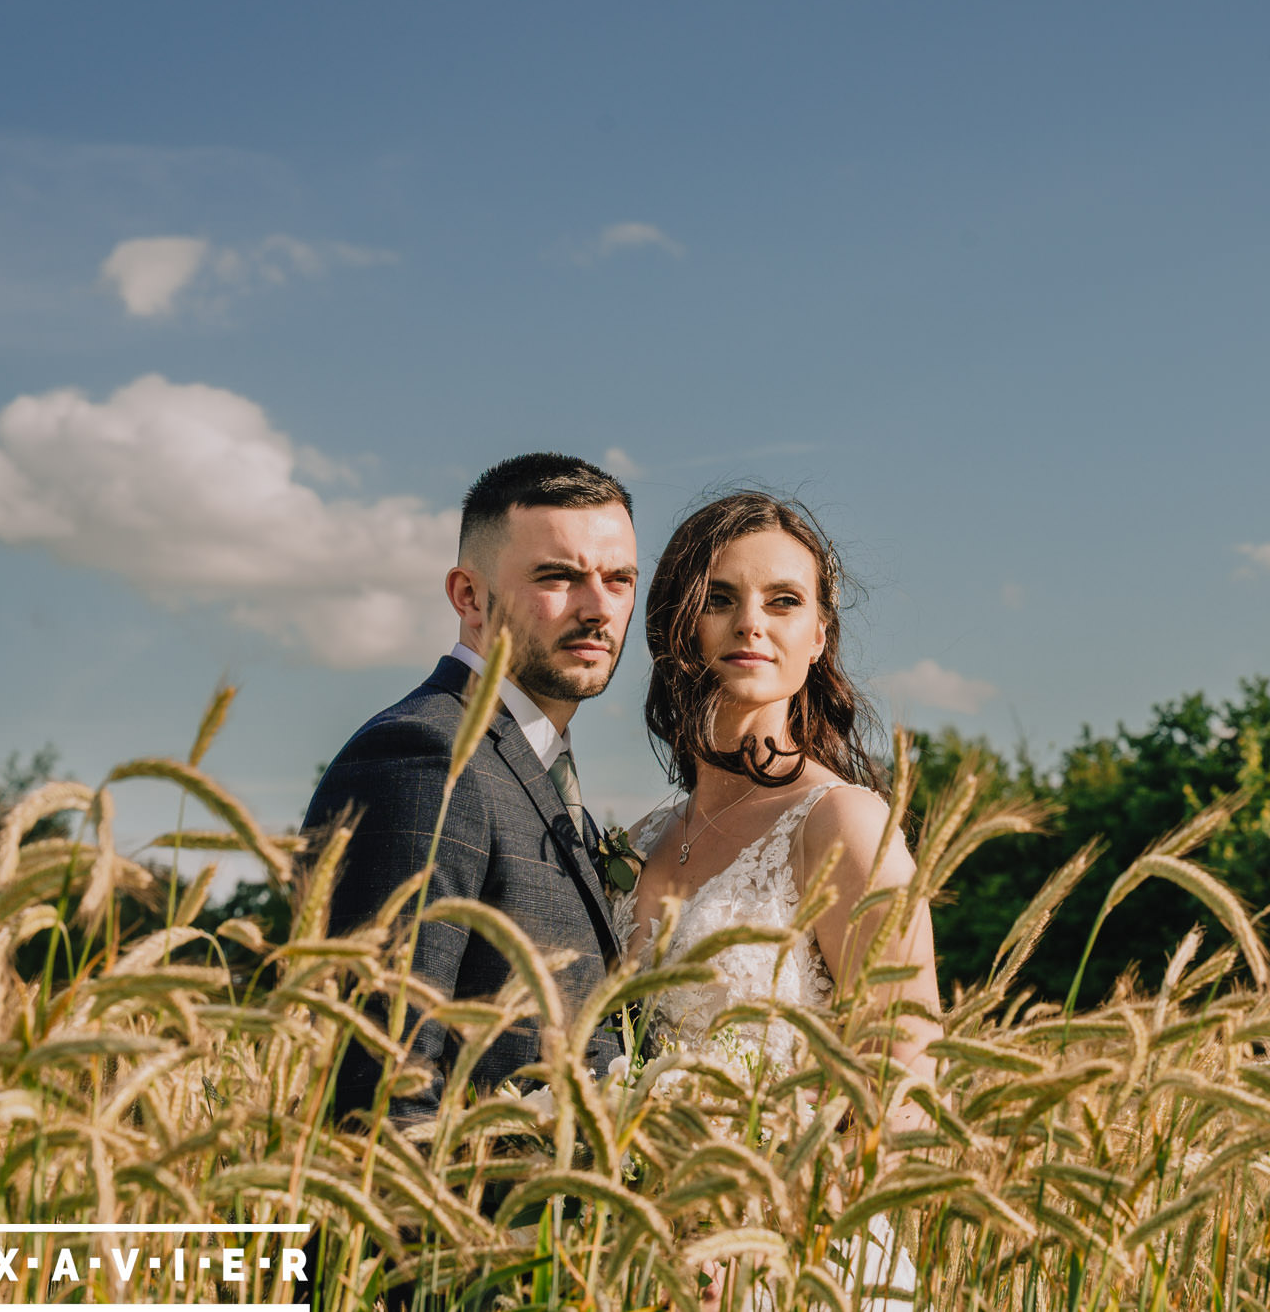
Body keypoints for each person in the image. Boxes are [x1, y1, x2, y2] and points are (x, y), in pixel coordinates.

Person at [618, 490, 939, 1307]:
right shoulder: (639, 839)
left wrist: (774, 1238)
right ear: (678, 624)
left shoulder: (840, 822)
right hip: (638, 1255)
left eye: (783, 601)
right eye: (719, 598)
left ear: (819, 634)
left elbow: (905, 1083)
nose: (750, 623)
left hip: (794, 1263)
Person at [305, 452, 639, 1127]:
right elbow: (381, 1091)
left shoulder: (535, 765)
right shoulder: (425, 758)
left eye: (619, 579)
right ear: (468, 596)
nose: (599, 607)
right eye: (559, 576)